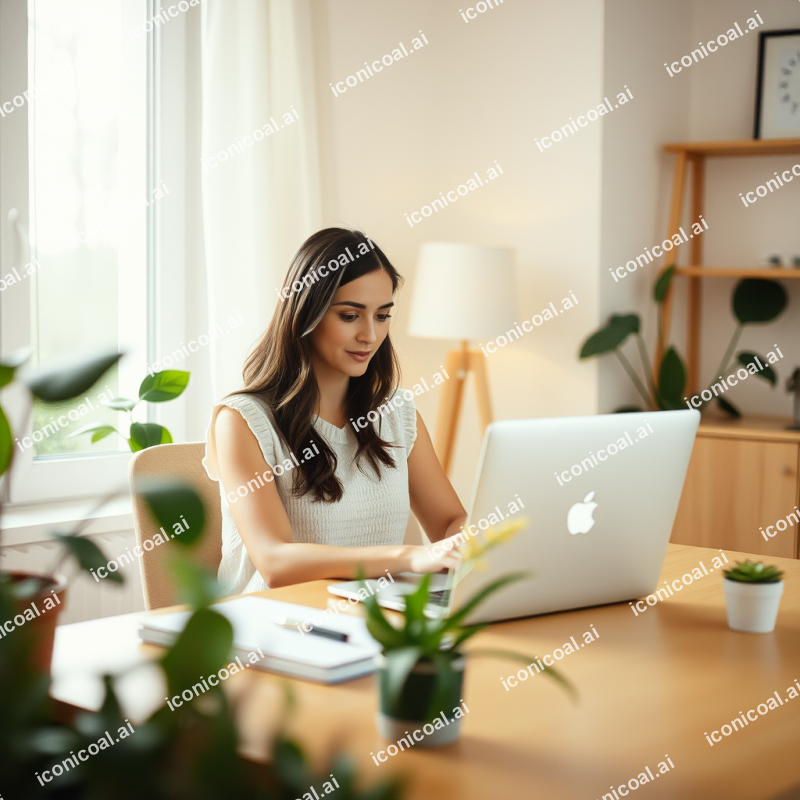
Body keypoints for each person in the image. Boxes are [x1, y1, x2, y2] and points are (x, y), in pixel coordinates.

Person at [204, 227, 467, 594]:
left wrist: (461, 544)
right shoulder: (242, 421)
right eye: (349, 316)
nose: (370, 335)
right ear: (305, 314)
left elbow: (450, 520)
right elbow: (275, 561)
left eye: (382, 316)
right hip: (276, 623)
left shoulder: (397, 413)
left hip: (375, 615)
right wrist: (408, 558)